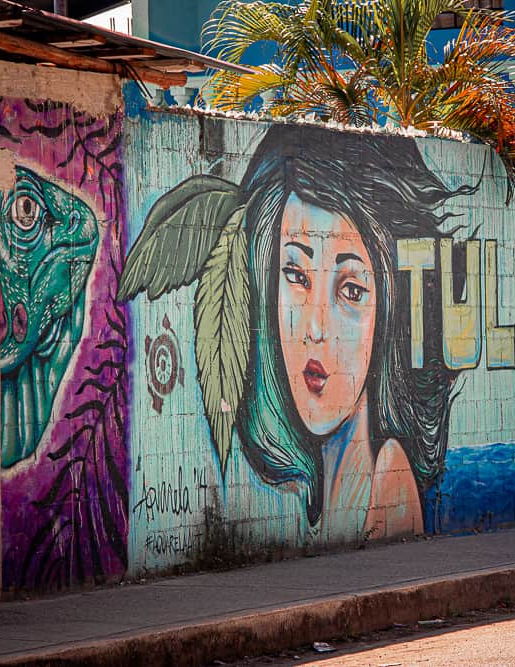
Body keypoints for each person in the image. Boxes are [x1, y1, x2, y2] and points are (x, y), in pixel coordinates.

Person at [121, 124, 471, 542]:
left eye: (352, 290)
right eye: (295, 275)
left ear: (389, 315)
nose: (315, 328)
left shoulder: (387, 483)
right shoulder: (330, 487)